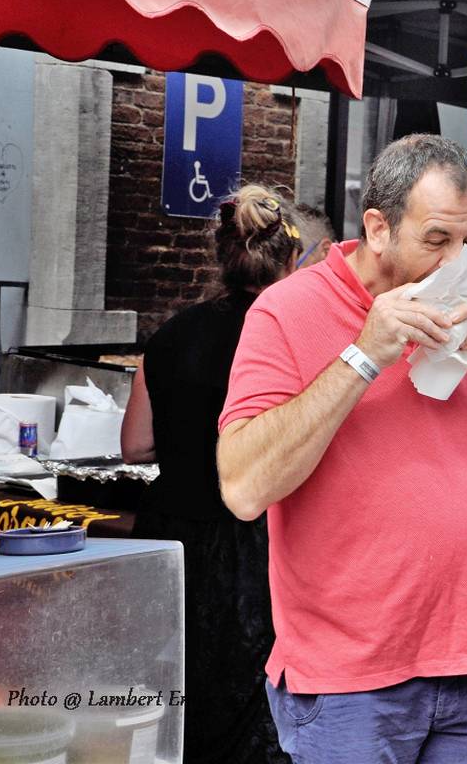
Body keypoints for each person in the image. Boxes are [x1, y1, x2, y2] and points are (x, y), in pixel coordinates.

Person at [215, 134, 467, 763]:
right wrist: (364, 354)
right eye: (437, 240)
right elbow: (243, 487)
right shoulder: (286, 310)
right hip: (348, 679)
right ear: (378, 229)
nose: (457, 261)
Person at [121, 184, 301, 764]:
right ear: (292, 260)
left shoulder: (170, 333)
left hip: (167, 541)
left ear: (221, 257)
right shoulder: (289, 336)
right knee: (248, 722)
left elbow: (135, 445)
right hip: (252, 548)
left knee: (170, 705)